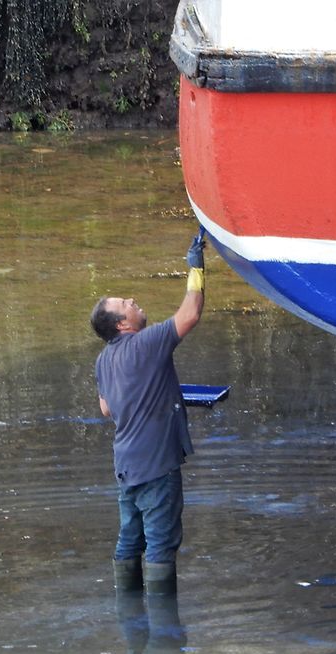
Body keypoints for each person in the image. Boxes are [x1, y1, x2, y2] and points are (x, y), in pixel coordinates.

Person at [91, 230, 206, 596]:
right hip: (156, 464)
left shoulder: (103, 359)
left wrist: (153, 398)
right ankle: (163, 623)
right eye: (126, 303)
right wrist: (196, 269)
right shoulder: (146, 343)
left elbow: (106, 408)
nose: (133, 301)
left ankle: (129, 616)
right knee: (161, 543)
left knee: (130, 539)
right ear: (121, 324)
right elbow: (190, 314)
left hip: (127, 465)